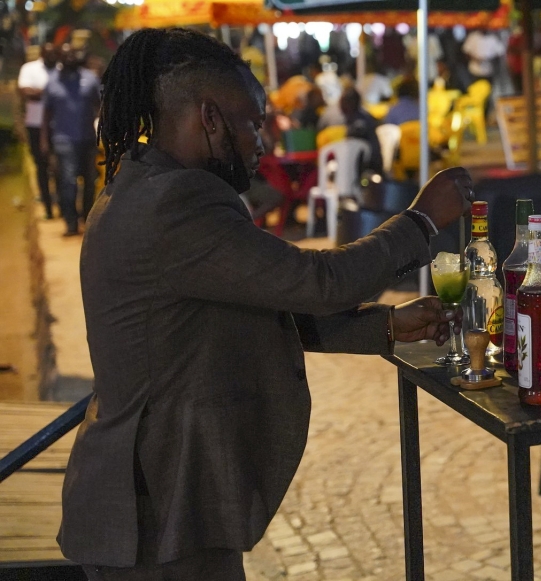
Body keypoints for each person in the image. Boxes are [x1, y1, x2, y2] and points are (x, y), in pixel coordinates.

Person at [60, 28, 472, 579]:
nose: (264, 141)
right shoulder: (175, 204)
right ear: (210, 118)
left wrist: (387, 327)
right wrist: (419, 222)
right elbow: (314, 281)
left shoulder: (146, 186)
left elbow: (253, 304)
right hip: (156, 508)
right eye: (253, 122)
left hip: (158, 505)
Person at [42, 44, 100, 236]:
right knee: (68, 181)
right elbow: (46, 114)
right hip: (63, 140)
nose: (69, 59)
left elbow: (100, 106)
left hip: (88, 139)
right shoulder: (52, 83)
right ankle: (71, 222)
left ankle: (88, 218)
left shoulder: (90, 79)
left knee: (90, 181)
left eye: (72, 55)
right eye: (65, 56)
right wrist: (44, 140)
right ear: (60, 58)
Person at [18, 42, 58, 219]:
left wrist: (40, 93)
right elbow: (25, 91)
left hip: (58, 125)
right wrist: (51, 93)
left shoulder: (61, 68)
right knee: (41, 166)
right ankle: (48, 207)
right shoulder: (30, 68)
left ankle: (61, 204)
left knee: (59, 166)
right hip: (35, 124)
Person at [339, 86, 383, 172]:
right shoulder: (353, 118)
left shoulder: (360, 122)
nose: (340, 105)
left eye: (342, 102)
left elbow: (353, 148)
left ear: (350, 103)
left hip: (368, 167)